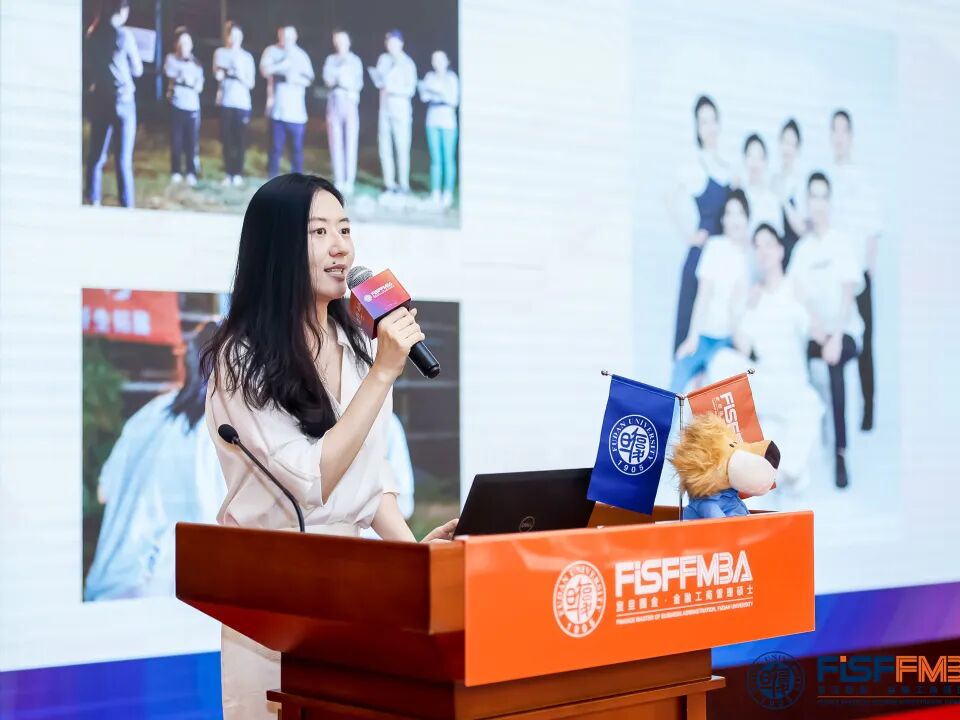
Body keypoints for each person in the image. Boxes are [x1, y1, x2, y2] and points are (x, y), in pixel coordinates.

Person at [200, 173, 457, 719]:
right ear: (278, 249)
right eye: (319, 232)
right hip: (276, 597)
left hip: (354, 592)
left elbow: (370, 478)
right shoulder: (241, 359)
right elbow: (310, 481)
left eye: (344, 229)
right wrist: (384, 373)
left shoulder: (356, 345)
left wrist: (415, 558)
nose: (341, 247)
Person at [84, 323, 225, 601]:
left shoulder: (151, 413)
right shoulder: (223, 428)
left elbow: (103, 492)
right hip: (165, 597)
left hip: (110, 588)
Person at [710, 224, 823, 491]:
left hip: (792, 383)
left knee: (810, 404)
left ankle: (788, 473)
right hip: (764, 380)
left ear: (780, 250)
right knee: (722, 360)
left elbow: (818, 333)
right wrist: (739, 307)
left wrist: (805, 304)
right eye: (757, 246)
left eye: (769, 244)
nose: (763, 251)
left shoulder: (793, 288)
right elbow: (743, 346)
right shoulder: (755, 296)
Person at [788, 172, 864, 488]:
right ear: (807, 202)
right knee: (795, 359)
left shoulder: (841, 242)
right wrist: (820, 333)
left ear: (829, 201)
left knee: (835, 364)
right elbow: (797, 297)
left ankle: (840, 452)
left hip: (845, 332)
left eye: (823, 196)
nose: (818, 203)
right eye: (813, 196)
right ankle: (804, 447)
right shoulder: (802, 250)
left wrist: (835, 335)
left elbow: (848, 294)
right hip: (817, 334)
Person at [829, 109, 881, 431]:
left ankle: (868, 408)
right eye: (834, 130)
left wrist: (869, 271)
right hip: (834, 279)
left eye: (843, 130)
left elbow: (873, 230)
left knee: (866, 343)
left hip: (859, 276)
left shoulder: (863, 178)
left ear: (851, 136)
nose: (839, 136)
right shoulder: (826, 178)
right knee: (838, 338)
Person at [669, 95, 733, 354]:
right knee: (689, 332)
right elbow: (669, 198)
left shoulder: (729, 169)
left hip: (724, 259)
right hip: (701, 257)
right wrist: (688, 235)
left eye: (712, 120)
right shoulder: (694, 166)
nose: (709, 127)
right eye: (703, 121)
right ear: (697, 127)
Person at [671, 189, 751, 393]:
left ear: (747, 218)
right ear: (723, 219)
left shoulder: (751, 256)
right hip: (705, 336)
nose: (735, 219)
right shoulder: (716, 247)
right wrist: (692, 338)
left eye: (740, 213)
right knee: (679, 373)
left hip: (731, 341)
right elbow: (703, 295)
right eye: (729, 213)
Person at [83, 0, 142, 207]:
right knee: (123, 160)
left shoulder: (93, 34)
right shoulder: (124, 35)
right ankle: (126, 204)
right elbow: (137, 69)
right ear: (123, 11)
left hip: (101, 99)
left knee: (96, 157)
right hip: (124, 101)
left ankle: (93, 199)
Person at [260, 26, 315, 177]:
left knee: (296, 150)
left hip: (297, 114)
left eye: (290, 37)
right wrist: (282, 65)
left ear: (296, 36)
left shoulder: (301, 55)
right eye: (284, 36)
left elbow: (309, 79)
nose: (287, 40)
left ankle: (296, 181)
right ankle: (272, 180)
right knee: (275, 148)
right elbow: (265, 71)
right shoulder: (271, 51)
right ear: (279, 35)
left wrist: (295, 79)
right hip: (277, 111)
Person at [370, 30, 417, 195]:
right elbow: (379, 81)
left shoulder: (407, 63)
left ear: (400, 43)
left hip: (401, 109)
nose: (389, 45)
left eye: (393, 42)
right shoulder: (383, 59)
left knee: (402, 147)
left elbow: (411, 89)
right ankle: (389, 183)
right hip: (385, 109)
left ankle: (403, 184)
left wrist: (394, 89)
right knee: (384, 146)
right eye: (388, 42)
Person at [213, 21, 256, 187]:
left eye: (238, 35)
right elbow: (217, 74)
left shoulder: (247, 57)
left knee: (240, 140)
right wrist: (222, 73)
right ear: (227, 36)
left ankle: (237, 173)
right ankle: (228, 172)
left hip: (242, 103)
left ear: (242, 37)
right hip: (225, 102)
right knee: (226, 139)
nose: (235, 39)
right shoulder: (220, 53)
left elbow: (251, 83)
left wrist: (239, 73)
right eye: (232, 35)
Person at [322, 30, 364, 196]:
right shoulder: (331, 60)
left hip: (350, 101)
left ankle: (349, 180)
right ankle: (339, 179)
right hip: (334, 100)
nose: (340, 44)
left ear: (349, 42)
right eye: (337, 41)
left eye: (343, 40)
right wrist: (337, 76)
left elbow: (358, 83)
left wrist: (345, 81)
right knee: (335, 141)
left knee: (350, 141)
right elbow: (327, 79)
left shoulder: (355, 61)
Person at [418, 50, 460, 209]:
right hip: (432, 119)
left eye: (440, 59)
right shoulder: (430, 77)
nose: (437, 62)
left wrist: (439, 92)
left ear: (447, 61)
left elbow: (453, 100)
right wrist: (429, 91)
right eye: (434, 59)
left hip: (448, 121)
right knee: (435, 159)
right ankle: (435, 192)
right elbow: (424, 96)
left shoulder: (451, 78)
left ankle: (447, 193)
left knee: (448, 158)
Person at [164, 27, 204, 186]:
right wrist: (183, 76)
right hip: (176, 105)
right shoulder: (171, 59)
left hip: (192, 107)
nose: (183, 47)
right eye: (180, 43)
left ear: (191, 45)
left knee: (191, 142)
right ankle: (175, 171)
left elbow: (199, 85)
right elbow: (170, 73)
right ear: (175, 45)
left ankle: (191, 172)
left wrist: (191, 82)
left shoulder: (197, 64)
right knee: (176, 140)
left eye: (186, 43)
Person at [770, 118, 806, 267]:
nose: (787, 149)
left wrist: (784, 199)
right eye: (785, 142)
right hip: (772, 255)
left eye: (792, 144)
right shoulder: (772, 179)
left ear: (798, 148)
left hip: (793, 253)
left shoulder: (802, 184)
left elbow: (802, 229)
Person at [741, 133, 782, 238]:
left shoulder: (772, 200)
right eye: (750, 156)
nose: (755, 163)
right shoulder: (737, 198)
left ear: (765, 162)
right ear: (744, 159)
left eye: (759, 157)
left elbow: (777, 236)